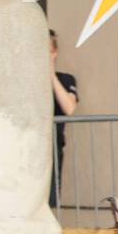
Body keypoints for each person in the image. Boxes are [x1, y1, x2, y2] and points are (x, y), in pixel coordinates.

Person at [49, 28, 79, 208]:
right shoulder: (24, 80)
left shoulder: (65, 79)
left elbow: (69, 107)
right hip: (25, 147)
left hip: (52, 148)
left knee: (50, 199)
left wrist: (50, 74)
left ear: (54, 52)